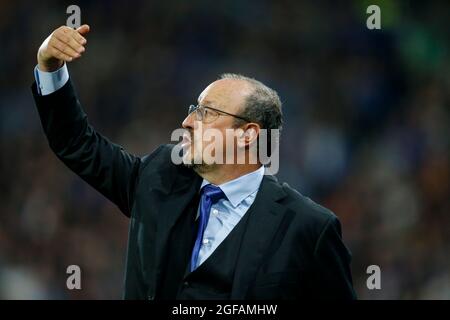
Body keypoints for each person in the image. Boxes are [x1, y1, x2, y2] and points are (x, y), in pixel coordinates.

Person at [31, 24, 356, 300]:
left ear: (247, 135)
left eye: (207, 113)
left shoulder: (307, 227)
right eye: (193, 108)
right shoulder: (158, 177)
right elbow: (77, 144)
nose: (187, 121)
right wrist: (50, 68)